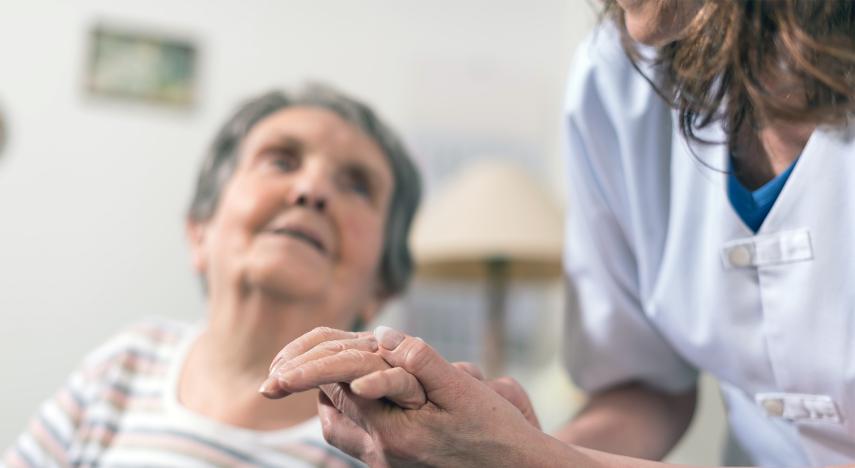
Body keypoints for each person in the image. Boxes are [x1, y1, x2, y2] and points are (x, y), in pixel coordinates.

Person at [261, 1, 855, 467]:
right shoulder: (616, 78)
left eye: (358, 184)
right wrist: (496, 442)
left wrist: (526, 457)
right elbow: (641, 389)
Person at [1, 83, 422, 467]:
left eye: (358, 185)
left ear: (382, 286)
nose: (312, 191)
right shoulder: (125, 364)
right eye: (280, 160)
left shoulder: (387, 446)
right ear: (200, 233)